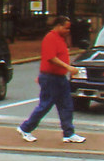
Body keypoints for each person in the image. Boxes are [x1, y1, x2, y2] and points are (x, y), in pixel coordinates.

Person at [17, 15, 85, 144]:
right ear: (58, 26)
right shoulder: (50, 38)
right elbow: (51, 58)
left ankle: (68, 133)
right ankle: (25, 128)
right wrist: (68, 68)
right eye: (66, 28)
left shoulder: (60, 39)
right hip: (51, 78)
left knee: (66, 105)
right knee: (45, 105)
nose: (68, 31)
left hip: (59, 77)